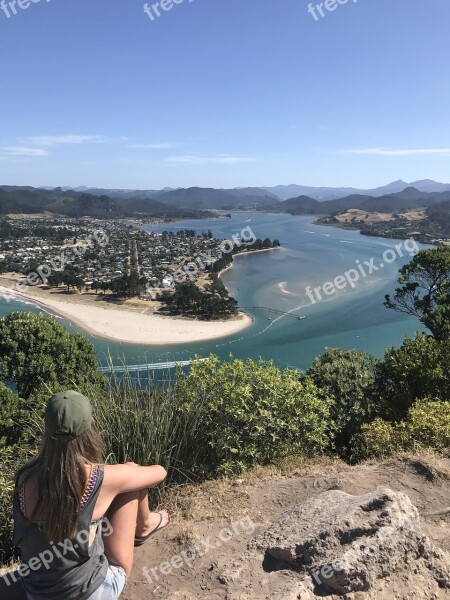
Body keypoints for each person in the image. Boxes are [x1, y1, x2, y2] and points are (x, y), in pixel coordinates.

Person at [10, 390, 170, 600]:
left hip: (35, 593)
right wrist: (127, 469)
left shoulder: (24, 477)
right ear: (89, 430)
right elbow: (159, 473)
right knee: (131, 479)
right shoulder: (98, 478)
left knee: (121, 483)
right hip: (90, 593)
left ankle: (143, 523)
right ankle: (147, 524)